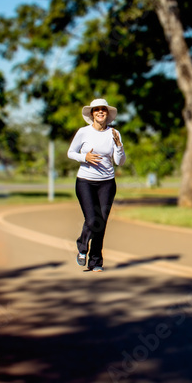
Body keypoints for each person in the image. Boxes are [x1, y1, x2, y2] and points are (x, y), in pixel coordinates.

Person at [67, 98, 125, 272]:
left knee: (101, 222)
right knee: (93, 219)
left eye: (103, 109)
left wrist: (119, 146)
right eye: (97, 109)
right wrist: (84, 157)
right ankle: (82, 246)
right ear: (92, 114)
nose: (100, 112)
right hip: (85, 182)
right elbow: (70, 152)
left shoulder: (114, 133)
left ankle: (96, 261)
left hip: (107, 183)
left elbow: (119, 162)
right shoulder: (83, 132)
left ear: (107, 114)